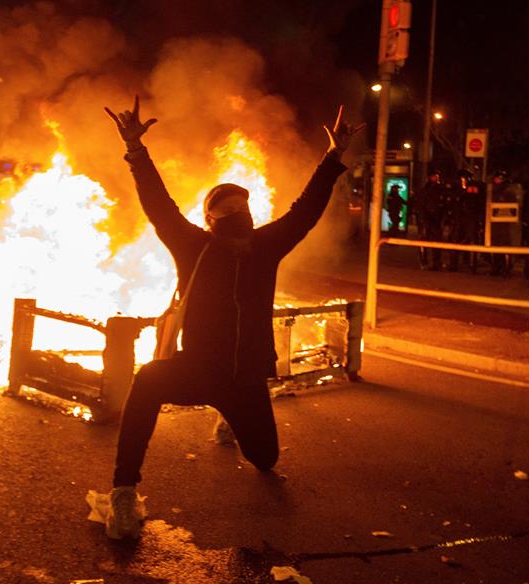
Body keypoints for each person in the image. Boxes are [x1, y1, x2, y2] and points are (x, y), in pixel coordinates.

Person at [102, 97, 363, 540]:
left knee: (265, 459)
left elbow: (305, 210)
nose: (236, 211)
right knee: (148, 381)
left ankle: (230, 419)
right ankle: (123, 494)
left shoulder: (265, 246)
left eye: (240, 205)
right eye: (226, 207)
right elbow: (159, 205)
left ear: (251, 213)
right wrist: (135, 151)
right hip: (196, 369)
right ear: (209, 217)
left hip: (245, 381)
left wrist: (333, 156)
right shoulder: (193, 245)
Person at [414, 169, 444, 270]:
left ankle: (436, 262)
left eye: (437, 176)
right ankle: (424, 261)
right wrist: (422, 218)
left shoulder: (441, 190)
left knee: (437, 242)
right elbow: (419, 205)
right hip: (426, 219)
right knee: (424, 241)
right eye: (434, 176)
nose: (435, 178)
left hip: (437, 220)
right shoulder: (424, 191)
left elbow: (444, 206)